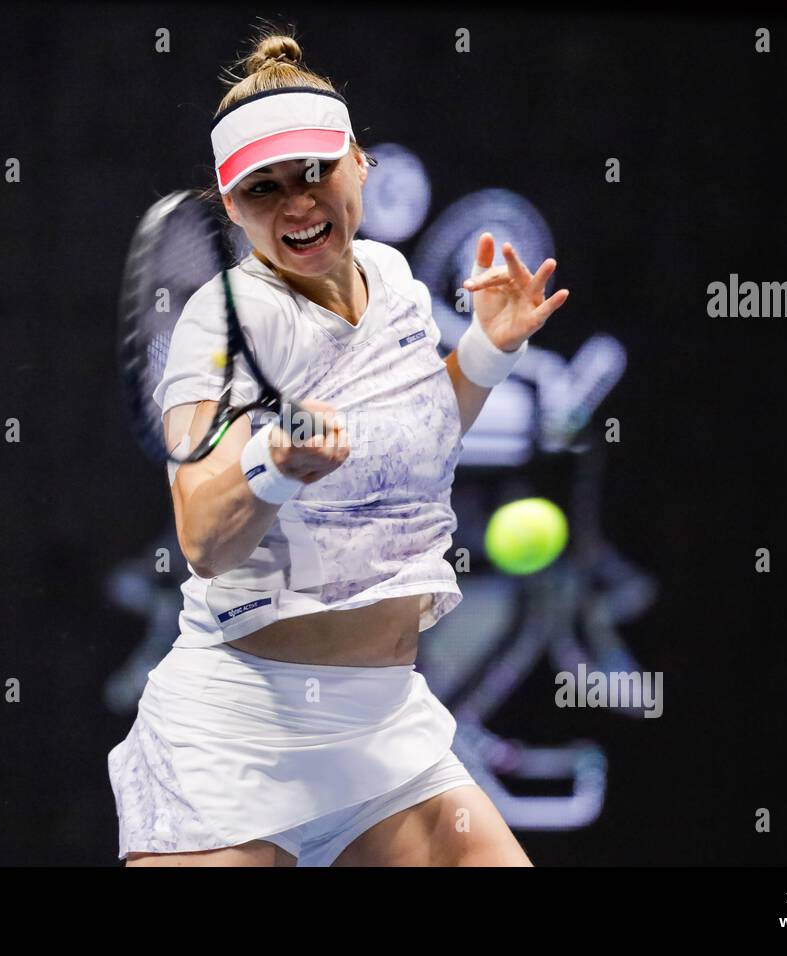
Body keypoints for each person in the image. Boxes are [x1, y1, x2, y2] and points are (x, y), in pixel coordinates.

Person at [108, 30, 569, 867]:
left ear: (361, 164)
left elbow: (413, 440)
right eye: (264, 187)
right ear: (229, 203)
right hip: (236, 745)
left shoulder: (394, 284)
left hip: (385, 734)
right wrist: (272, 467)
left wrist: (485, 356)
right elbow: (205, 536)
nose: (296, 203)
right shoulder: (221, 323)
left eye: (315, 170)